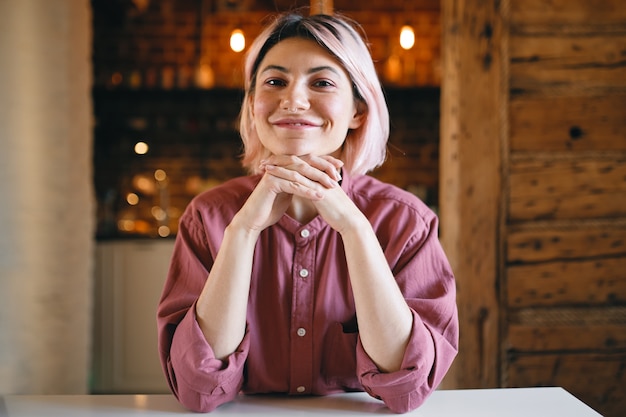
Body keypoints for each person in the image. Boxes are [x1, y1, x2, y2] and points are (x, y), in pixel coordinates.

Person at [156, 11, 458, 414]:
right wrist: (242, 231)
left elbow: (406, 388)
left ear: (358, 111)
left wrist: (355, 230)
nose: (293, 100)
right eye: (275, 82)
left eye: (322, 82)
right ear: (252, 106)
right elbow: (198, 389)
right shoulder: (208, 216)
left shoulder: (407, 222)